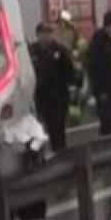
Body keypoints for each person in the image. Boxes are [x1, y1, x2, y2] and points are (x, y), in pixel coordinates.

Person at [30, 22, 77, 152]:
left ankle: (61, 151)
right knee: (46, 128)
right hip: (41, 96)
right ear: (38, 35)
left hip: (58, 96)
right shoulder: (33, 51)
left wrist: (72, 86)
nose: (46, 36)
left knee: (58, 127)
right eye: (43, 33)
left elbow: (69, 70)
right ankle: (50, 152)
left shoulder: (59, 50)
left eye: (48, 33)